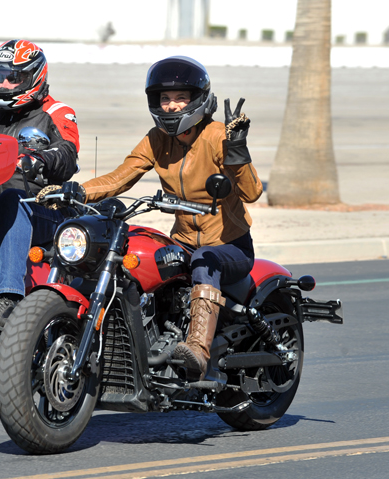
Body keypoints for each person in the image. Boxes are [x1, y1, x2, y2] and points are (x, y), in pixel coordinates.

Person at [45, 55, 262, 379]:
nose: (172, 106)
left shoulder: (217, 136)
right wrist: (74, 191)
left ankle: (198, 353)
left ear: (197, 100)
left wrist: (237, 152)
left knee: (205, 259)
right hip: (184, 241)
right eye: (165, 99)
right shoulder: (156, 139)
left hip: (230, 246)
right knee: (143, 257)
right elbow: (120, 177)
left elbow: (252, 192)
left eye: (180, 98)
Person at [0, 40, 80, 327]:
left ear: (35, 76)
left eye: (14, 78)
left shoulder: (57, 112)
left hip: (41, 208)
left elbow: (67, 154)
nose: (6, 84)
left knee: (13, 198)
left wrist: (40, 159)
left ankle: (9, 295)